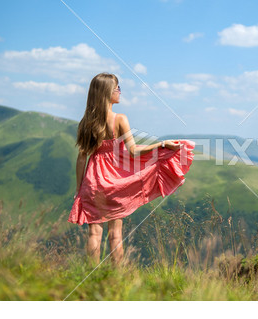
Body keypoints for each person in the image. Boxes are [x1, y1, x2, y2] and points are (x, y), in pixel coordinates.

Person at [68, 73, 194, 266]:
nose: (120, 92)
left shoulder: (86, 122)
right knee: (115, 235)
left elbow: (81, 158)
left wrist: (79, 188)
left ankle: (90, 275)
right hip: (115, 182)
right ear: (107, 92)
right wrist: (161, 145)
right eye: (117, 88)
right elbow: (134, 151)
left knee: (94, 233)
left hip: (93, 181)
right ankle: (117, 278)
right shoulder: (119, 119)